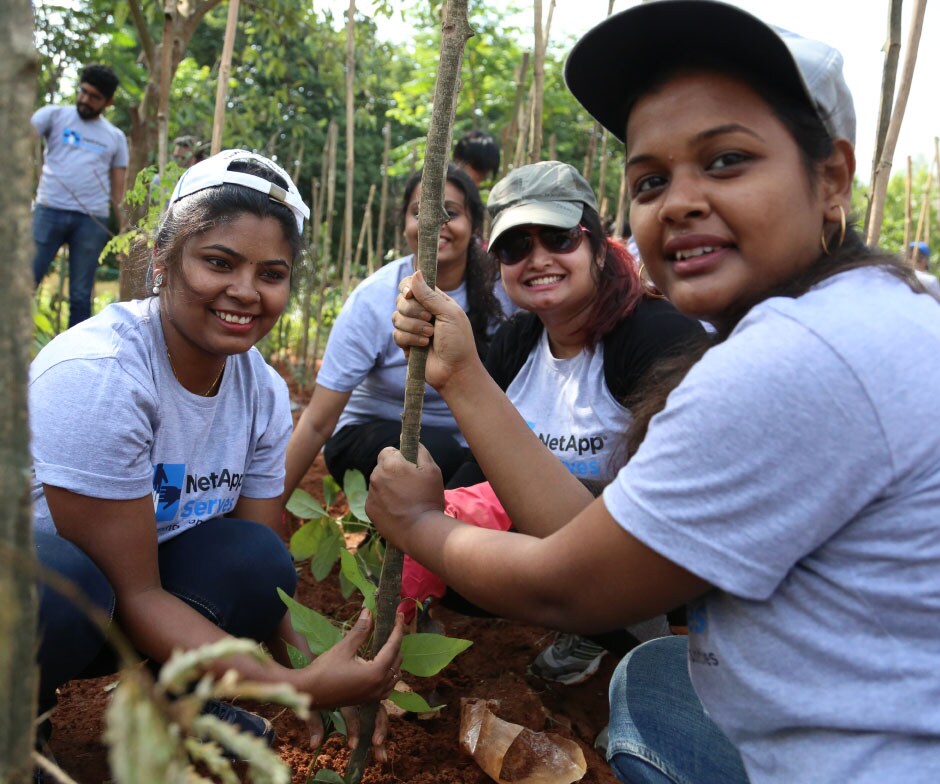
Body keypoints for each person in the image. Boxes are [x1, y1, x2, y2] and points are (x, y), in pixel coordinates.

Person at [366, 2, 940, 783]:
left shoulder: (790, 359)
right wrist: (462, 375)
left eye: (728, 160)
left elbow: (573, 587)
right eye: (651, 178)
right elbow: (590, 536)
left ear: (831, 176)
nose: (679, 201)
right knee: (659, 677)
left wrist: (417, 524)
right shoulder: (870, 309)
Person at [31, 149, 404, 760]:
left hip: (129, 592)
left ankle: (174, 701)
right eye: (219, 262)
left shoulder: (260, 390)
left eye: (271, 274)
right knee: (60, 583)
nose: (244, 292)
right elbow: (137, 593)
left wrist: (323, 665)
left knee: (255, 559)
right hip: (59, 600)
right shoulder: (100, 376)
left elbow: (258, 569)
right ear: (163, 259)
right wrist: (294, 687)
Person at [399, 160, 704, 685]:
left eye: (559, 238)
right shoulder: (514, 345)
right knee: (439, 500)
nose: (538, 259)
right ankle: (588, 628)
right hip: (555, 559)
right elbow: (479, 469)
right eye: (516, 248)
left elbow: (685, 503)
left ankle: (668, 675)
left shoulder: (657, 340)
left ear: (597, 245)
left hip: (656, 563)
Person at [283, 164, 512, 499]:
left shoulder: (501, 291)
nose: (436, 222)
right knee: (439, 454)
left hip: (471, 445)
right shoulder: (374, 299)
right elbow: (317, 421)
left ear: (474, 224)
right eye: (420, 211)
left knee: (486, 471)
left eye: (451, 212)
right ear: (405, 224)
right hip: (367, 436)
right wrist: (265, 511)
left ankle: (406, 541)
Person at [32, 63, 129, 327]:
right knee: (26, 281)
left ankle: (72, 359)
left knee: (80, 295)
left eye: (94, 96)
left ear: (108, 102)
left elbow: (118, 193)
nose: (85, 99)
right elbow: (21, 136)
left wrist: (123, 233)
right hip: (48, 210)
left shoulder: (115, 138)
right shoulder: (52, 116)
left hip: (91, 220)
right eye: (83, 92)